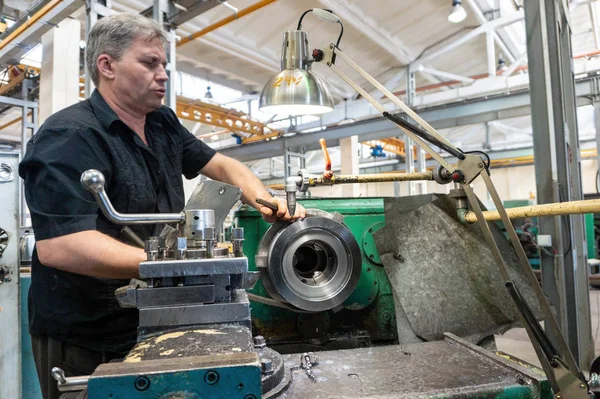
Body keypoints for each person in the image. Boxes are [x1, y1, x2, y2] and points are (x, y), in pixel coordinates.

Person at [18, 12, 305, 399]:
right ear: (107, 66)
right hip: (87, 334)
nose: (164, 74)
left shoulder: (162, 123)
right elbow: (62, 246)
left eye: (164, 65)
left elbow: (222, 164)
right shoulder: (68, 137)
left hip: (157, 319)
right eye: (150, 63)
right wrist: (176, 265)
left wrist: (261, 196)